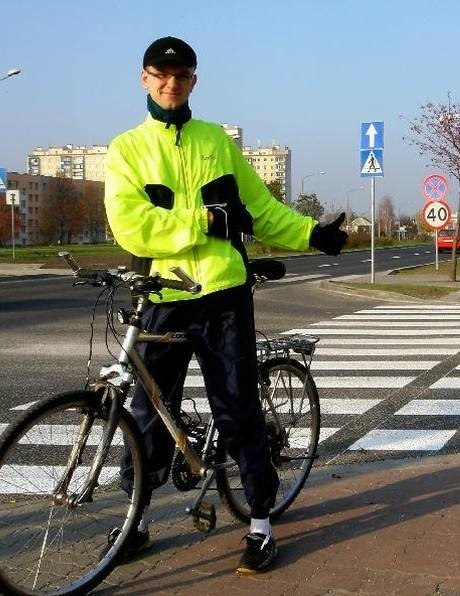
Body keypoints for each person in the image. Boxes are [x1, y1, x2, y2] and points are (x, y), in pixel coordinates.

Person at [104, 35, 347, 574]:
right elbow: (131, 226)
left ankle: (259, 523)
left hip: (223, 297)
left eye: (182, 74)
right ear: (143, 79)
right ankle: (136, 521)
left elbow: (260, 211)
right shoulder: (125, 149)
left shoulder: (217, 141)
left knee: (237, 409)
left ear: (194, 80)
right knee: (147, 415)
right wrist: (205, 222)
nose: (171, 83)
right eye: (160, 74)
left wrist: (312, 234)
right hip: (165, 295)